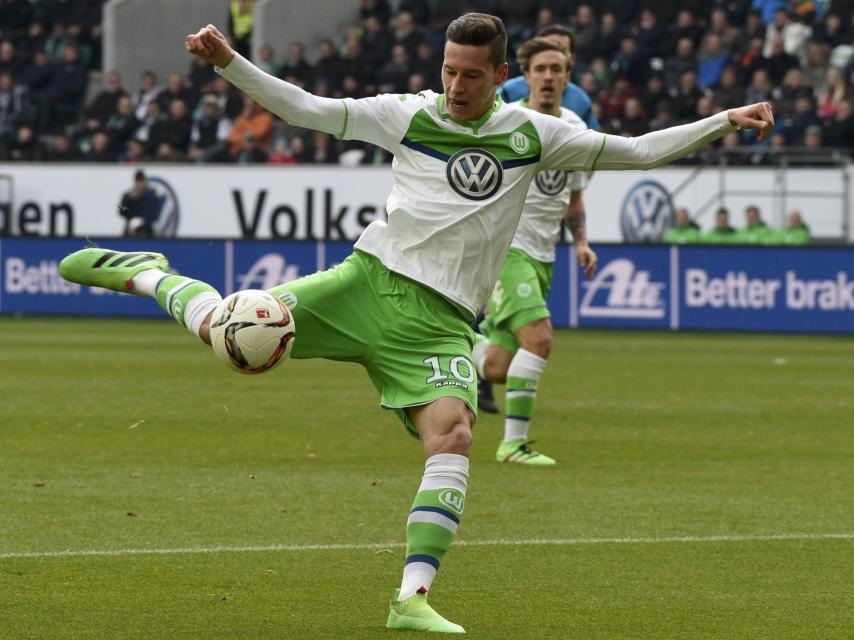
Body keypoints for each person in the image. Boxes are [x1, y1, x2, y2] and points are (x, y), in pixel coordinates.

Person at [59, 15, 773, 634]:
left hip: (439, 325)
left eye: (470, 75)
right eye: (448, 71)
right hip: (365, 283)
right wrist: (231, 64)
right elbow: (306, 107)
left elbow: (640, 149)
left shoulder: (535, 134)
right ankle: (144, 271)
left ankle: (411, 598)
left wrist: (724, 121)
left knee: (455, 432)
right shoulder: (408, 114)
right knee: (232, 339)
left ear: (499, 75)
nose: (456, 86)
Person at [471, 37, 597, 466]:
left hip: (544, 255)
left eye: (556, 69)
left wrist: (581, 242)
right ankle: (513, 446)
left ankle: (454, 343)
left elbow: (573, 199)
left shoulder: (577, 129)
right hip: (506, 250)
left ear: (567, 76)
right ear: (525, 75)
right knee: (540, 339)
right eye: (539, 69)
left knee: (497, 368)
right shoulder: (507, 121)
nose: (547, 77)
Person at [498, 24, 600, 130]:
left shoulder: (580, 102)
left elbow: (594, 136)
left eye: (559, 48)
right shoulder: (509, 91)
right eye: (540, 68)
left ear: (571, 60)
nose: (548, 77)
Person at [119, 169, 161, 237]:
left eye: (141, 181)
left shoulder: (151, 196)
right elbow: (121, 211)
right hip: (130, 232)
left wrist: (141, 222)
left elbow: (153, 214)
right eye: (138, 181)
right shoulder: (128, 195)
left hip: (146, 232)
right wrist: (130, 199)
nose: (139, 183)